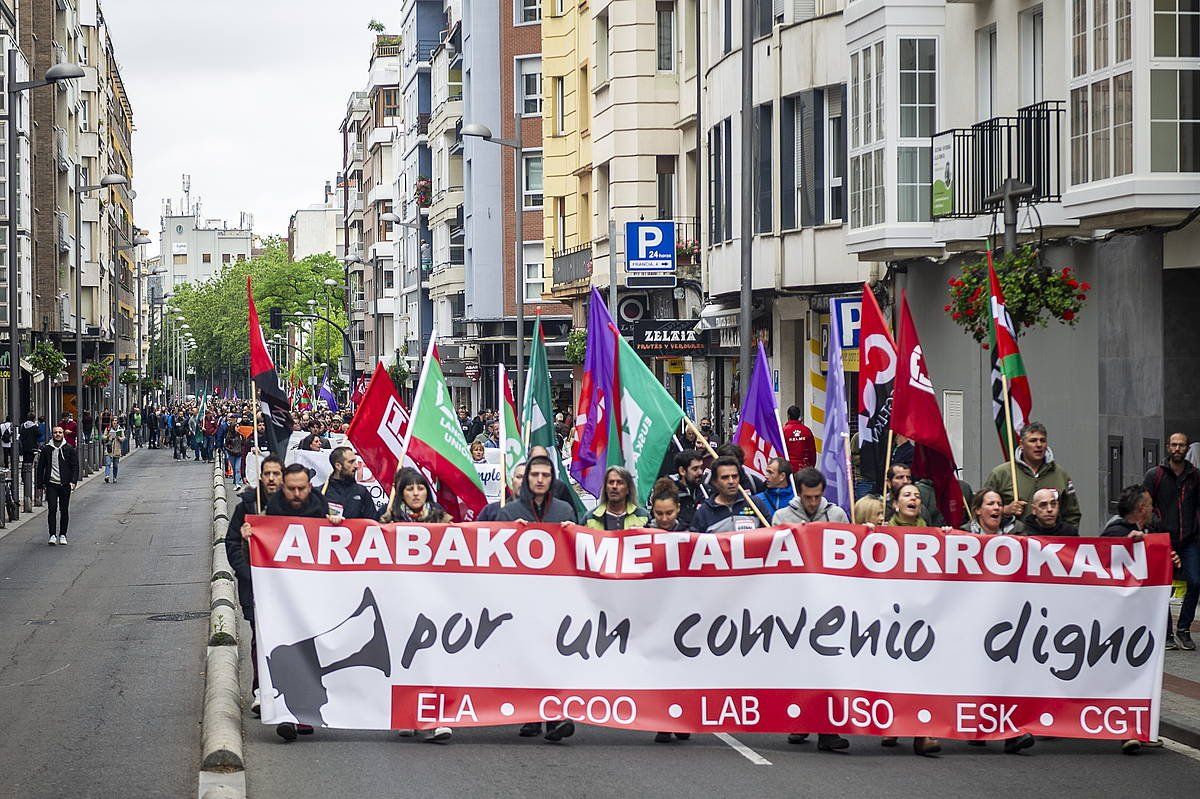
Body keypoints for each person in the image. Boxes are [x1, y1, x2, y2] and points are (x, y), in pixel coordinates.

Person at [494, 454, 578, 742]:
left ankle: (554, 717)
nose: (540, 480)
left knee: (554, 658)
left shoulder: (565, 510)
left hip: (556, 599)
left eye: (545, 475)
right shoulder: (508, 513)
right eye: (535, 475)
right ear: (527, 479)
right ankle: (529, 715)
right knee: (526, 658)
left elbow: (579, 552)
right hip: (520, 599)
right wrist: (509, 533)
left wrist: (572, 535)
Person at [1104, 484, 1181, 754]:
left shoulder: (1147, 534)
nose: (1152, 510)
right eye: (1149, 505)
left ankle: (1137, 729)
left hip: (1140, 623)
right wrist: (1131, 545)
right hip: (1121, 624)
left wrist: (1166, 558)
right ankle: (1128, 731)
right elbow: (1107, 563)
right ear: (1140, 509)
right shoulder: (1116, 532)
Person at [256, 464, 330, 742]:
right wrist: (252, 537)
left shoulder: (321, 511)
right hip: (278, 599)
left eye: (302, 488)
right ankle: (284, 714)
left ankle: (306, 714)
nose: (297, 494)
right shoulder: (270, 514)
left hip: (311, 600)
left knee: (309, 655)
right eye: (292, 489)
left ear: (309, 487)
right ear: (283, 487)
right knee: (281, 655)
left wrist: (337, 526)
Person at [226, 454, 284, 719]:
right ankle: (261, 689)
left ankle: (285, 689)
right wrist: (246, 572)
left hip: (286, 589)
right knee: (260, 636)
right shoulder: (247, 505)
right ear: (261, 476)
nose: (272, 478)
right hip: (255, 585)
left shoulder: (292, 505)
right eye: (268, 474)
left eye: (276, 474)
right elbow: (231, 543)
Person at [1145, 433, 1200, 651]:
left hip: (1189, 539)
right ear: (1167, 447)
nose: (1177, 448)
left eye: (1181, 445)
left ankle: (1184, 629)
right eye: (1174, 445)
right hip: (1163, 539)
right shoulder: (1155, 475)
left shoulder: (1194, 475)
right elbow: (1145, 504)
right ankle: (1166, 632)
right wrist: (1156, 525)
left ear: (1187, 449)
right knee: (1163, 586)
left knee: (1195, 581)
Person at [982, 421, 1081, 527]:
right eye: (1033, 441)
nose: (1039, 445)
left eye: (1042, 441)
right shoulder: (1001, 473)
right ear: (1022, 444)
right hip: (1014, 540)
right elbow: (982, 510)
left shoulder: (1060, 475)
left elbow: (1072, 514)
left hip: (1050, 541)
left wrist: (1066, 537)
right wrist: (1006, 510)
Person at [691, 456, 762, 534]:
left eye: (735, 476)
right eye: (725, 477)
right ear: (714, 482)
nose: (731, 481)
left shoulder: (755, 504)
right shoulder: (704, 512)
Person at [35, 425, 78, 546]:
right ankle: (52, 534)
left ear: (63, 434)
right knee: (52, 509)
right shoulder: (46, 449)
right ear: (52, 434)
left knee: (64, 510)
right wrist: (39, 485)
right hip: (51, 484)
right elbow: (41, 467)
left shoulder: (69, 449)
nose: (57, 434)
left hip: (65, 485)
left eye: (60, 432)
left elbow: (75, 466)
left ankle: (63, 534)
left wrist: (73, 482)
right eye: (55, 432)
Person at [772, 468, 851, 525]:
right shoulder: (781, 518)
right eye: (808, 497)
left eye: (817, 497)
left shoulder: (837, 515)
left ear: (823, 492)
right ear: (798, 493)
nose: (813, 503)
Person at [323, 447, 379, 521]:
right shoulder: (322, 492)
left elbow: (373, 523)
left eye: (355, 461)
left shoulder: (362, 492)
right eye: (351, 462)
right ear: (338, 466)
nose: (356, 466)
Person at [381, 468, 453, 525]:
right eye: (410, 489)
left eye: (420, 489)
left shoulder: (439, 515)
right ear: (402, 494)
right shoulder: (391, 515)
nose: (416, 493)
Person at [962, 489, 1028, 536]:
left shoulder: (1019, 531)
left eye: (1000, 504)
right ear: (978, 510)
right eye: (990, 504)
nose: (996, 507)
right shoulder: (963, 534)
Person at [669, 449, 708, 528]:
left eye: (701, 468)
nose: (700, 472)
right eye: (695, 469)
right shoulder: (670, 494)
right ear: (682, 471)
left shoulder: (707, 492)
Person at [782, 405, 816, 472]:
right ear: (799, 416)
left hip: (788, 468)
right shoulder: (807, 431)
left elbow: (780, 451)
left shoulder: (784, 431)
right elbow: (812, 451)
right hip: (804, 467)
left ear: (788, 416)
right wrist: (811, 466)